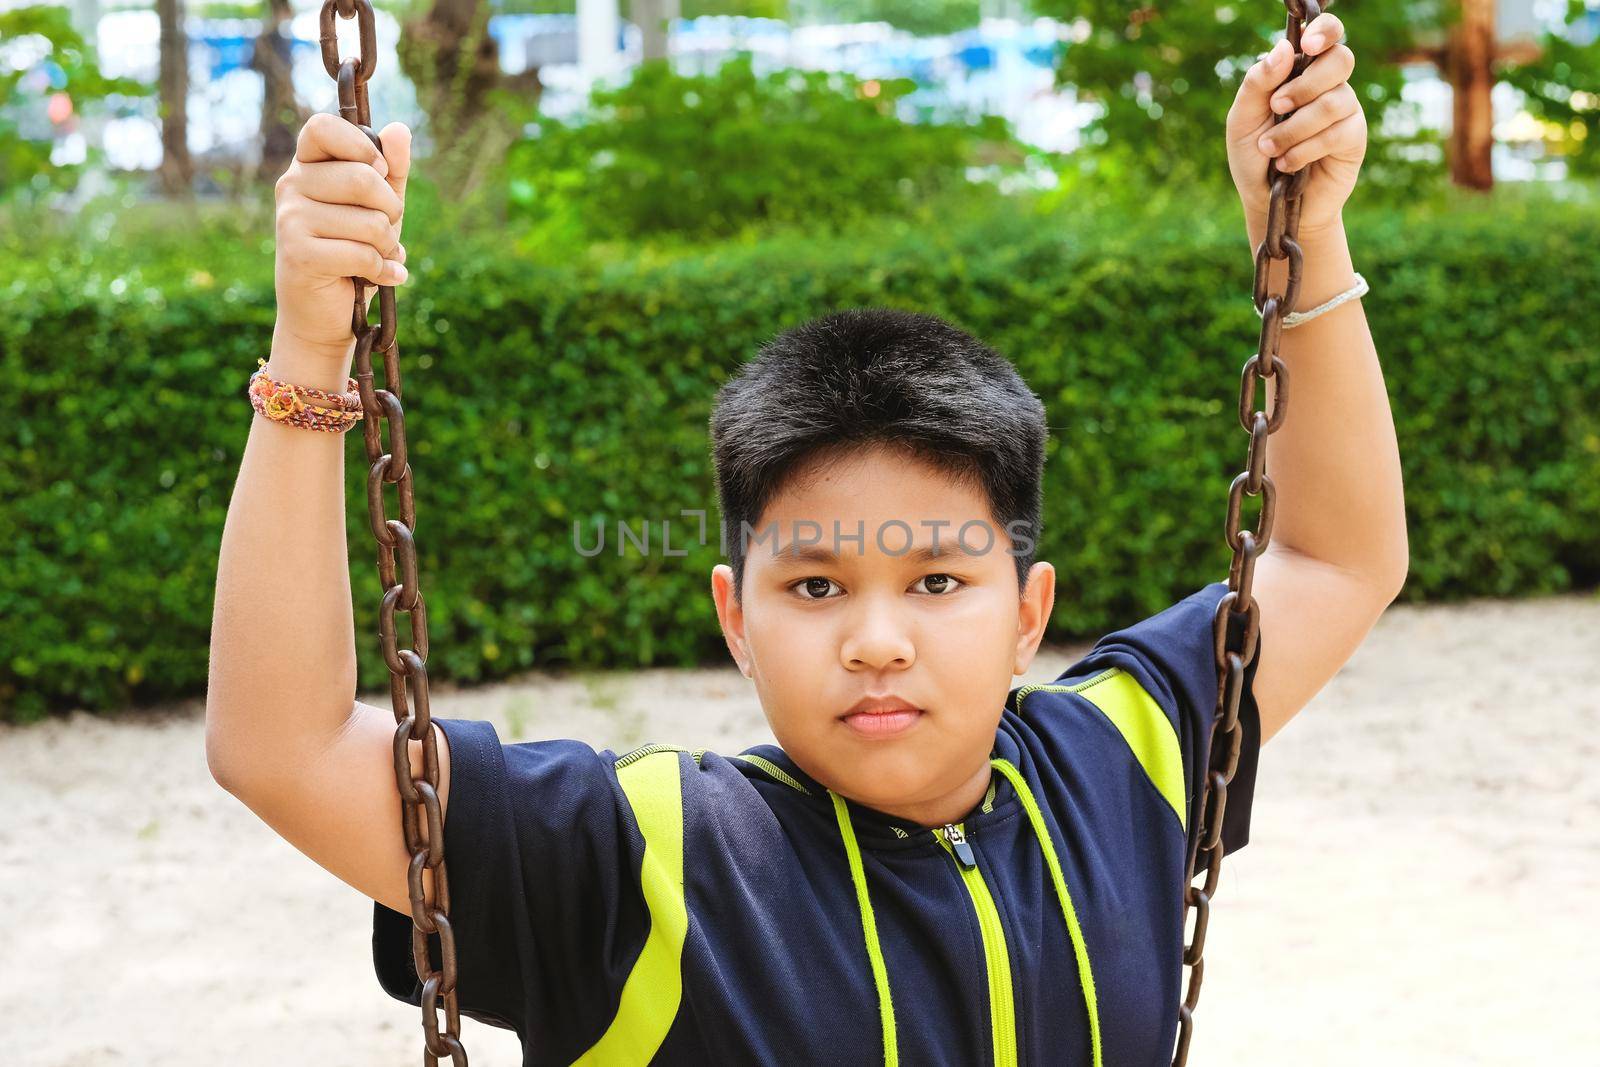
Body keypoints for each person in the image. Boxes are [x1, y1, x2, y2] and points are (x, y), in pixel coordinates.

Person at [205, 9, 1407, 1065]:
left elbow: (1337, 559)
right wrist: (312, 355)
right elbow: (283, 745)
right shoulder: (641, 863)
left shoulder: (1121, 758)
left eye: (938, 577)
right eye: (818, 584)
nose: (877, 640)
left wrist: (1307, 234)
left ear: (1029, 611)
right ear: (737, 614)